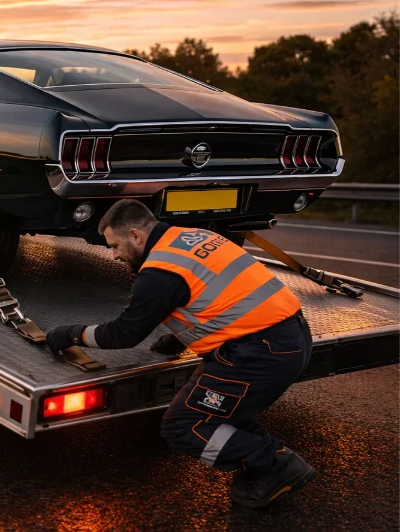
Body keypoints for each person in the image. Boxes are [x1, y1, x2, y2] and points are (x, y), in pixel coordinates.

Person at [46, 199, 315, 508]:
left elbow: (124, 333)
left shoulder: (158, 272)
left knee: (183, 425)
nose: (114, 255)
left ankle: (274, 464)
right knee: (218, 410)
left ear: (135, 236)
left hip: (259, 352)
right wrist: (179, 340)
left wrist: (70, 333)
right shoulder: (193, 236)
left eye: (115, 245)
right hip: (290, 337)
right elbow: (215, 295)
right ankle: (259, 465)